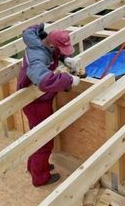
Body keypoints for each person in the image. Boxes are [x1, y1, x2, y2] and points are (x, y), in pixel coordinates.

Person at [17, 23, 80, 187]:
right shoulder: (37, 57)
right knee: (44, 141)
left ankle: (36, 167)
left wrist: (65, 59)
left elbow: (53, 53)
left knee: (37, 136)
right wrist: (69, 80)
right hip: (36, 102)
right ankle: (40, 177)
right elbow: (44, 82)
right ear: (51, 44)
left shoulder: (43, 42)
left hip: (40, 100)